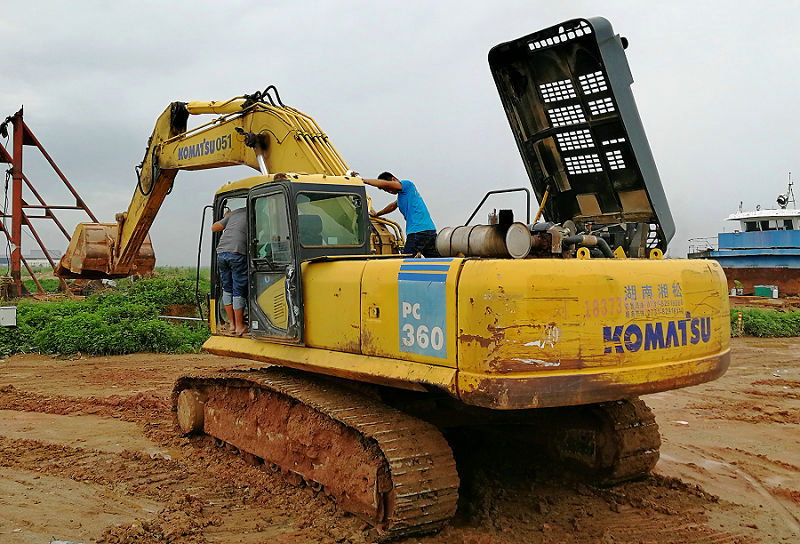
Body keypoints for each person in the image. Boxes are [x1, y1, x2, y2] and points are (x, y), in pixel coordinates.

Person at [362, 172, 438, 257]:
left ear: (393, 180)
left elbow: (385, 183)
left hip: (417, 232)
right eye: (387, 191)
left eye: (389, 188)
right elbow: (392, 206)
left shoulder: (407, 185)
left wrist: (363, 181)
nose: (390, 191)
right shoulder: (404, 196)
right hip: (429, 230)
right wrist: (377, 214)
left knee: (405, 261)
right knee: (436, 260)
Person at [211, 207, 248, 336]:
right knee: (238, 289)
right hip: (237, 253)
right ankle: (240, 326)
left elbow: (214, 228)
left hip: (221, 253)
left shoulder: (234, 213)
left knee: (227, 288)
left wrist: (225, 217)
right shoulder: (256, 212)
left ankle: (231, 325)